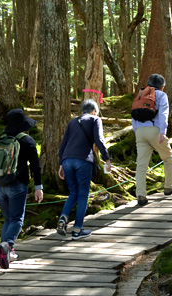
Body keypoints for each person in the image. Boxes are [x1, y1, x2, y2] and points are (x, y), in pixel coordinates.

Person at [0, 109, 43, 269]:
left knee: (8, 219)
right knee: (17, 220)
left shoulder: (1, 141)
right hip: (17, 185)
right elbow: (35, 165)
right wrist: (38, 187)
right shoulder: (28, 141)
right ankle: (7, 245)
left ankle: (7, 251)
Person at [56, 99, 112, 240]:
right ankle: (77, 230)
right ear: (94, 111)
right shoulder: (95, 120)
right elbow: (99, 139)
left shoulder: (73, 122)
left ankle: (63, 217)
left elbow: (63, 144)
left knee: (73, 192)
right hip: (83, 160)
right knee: (83, 195)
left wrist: (61, 164)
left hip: (67, 160)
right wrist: (107, 159)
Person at [132, 74, 172, 206]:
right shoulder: (161, 95)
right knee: (168, 156)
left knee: (141, 165)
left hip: (140, 132)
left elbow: (134, 113)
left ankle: (141, 195)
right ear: (162, 86)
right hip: (154, 130)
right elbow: (164, 114)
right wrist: (163, 132)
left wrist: (136, 131)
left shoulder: (141, 93)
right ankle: (169, 186)